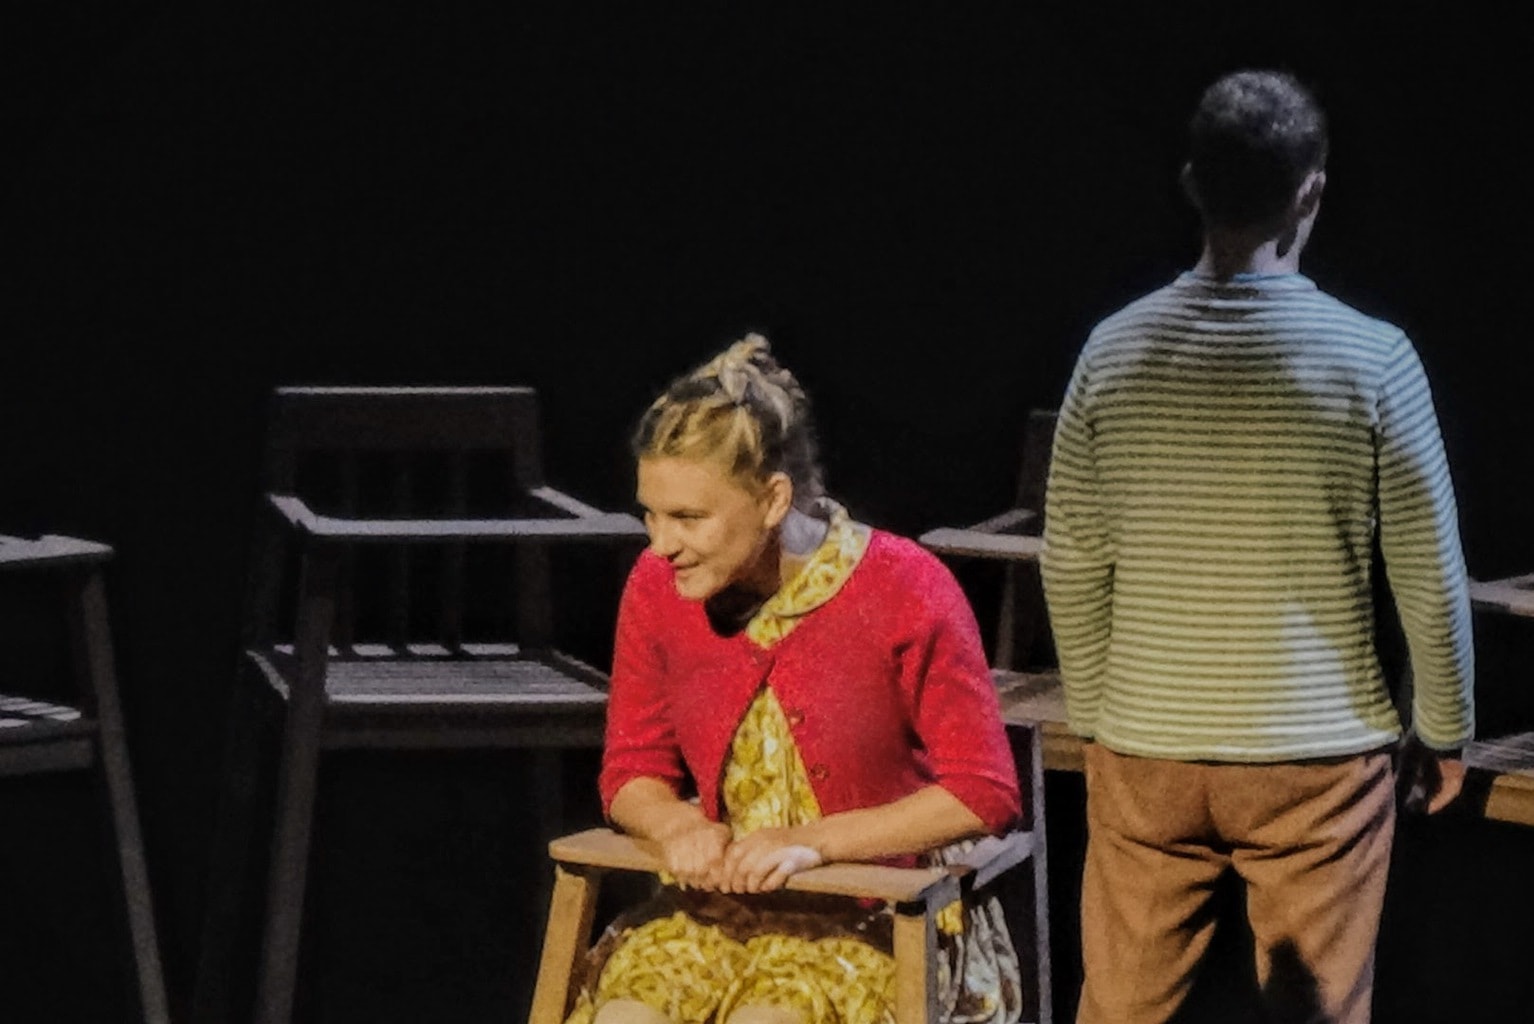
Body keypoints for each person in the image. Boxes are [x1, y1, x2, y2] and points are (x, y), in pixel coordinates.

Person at [1040, 69, 1475, 1024]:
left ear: (1192, 183)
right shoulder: (1375, 358)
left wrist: (1101, 716)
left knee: (1121, 1008)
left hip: (1146, 753)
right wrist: (1444, 728)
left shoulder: (1112, 351)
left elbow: (1070, 558)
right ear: (1311, 191)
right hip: (1317, 761)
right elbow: (1428, 576)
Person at [566, 334, 1025, 1024]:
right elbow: (632, 769)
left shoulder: (903, 587)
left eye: (688, 518)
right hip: (714, 915)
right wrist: (676, 824)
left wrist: (811, 843)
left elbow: (981, 794)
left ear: (774, 498)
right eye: (650, 514)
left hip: (874, 918)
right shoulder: (658, 589)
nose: (661, 544)